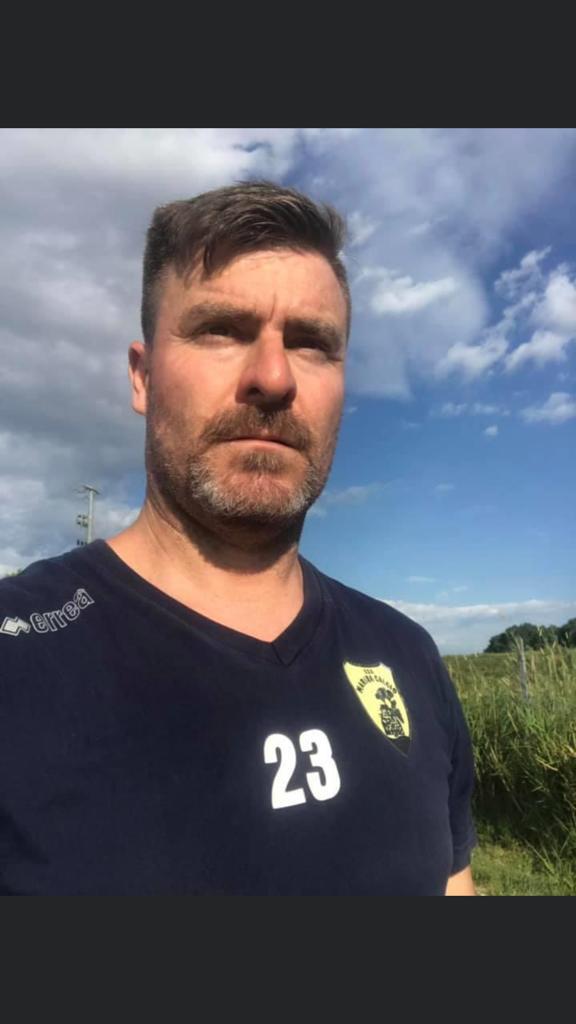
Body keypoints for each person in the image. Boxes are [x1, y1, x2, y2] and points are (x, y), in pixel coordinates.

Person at [0, 182, 477, 895]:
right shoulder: (19, 662)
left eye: (312, 344)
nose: (274, 378)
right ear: (142, 377)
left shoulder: (406, 656)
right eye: (222, 329)